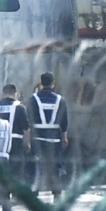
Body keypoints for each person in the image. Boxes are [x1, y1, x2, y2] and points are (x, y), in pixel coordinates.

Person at [28, 72, 69, 200]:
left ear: (41, 83)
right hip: (54, 139)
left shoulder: (33, 99)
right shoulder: (60, 100)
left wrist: (28, 138)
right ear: (53, 83)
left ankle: (34, 192)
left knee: (36, 165)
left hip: (38, 138)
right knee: (55, 166)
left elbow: (29, 118)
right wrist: (64, 136)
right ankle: (56, 193)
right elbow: (64, 121)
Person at [0, 83, 31, 183]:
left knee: (3, 168)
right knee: (16, 168)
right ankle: (16, 193)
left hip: (0, 141)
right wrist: (27, 143)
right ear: (15, 93)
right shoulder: (20, 107)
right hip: (16, 140)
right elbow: (26, 128)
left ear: (3, 93)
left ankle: (3, 193)